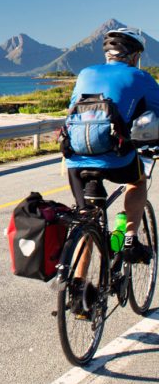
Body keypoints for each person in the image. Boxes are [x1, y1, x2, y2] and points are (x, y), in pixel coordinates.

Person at [66, 27, 159, 273]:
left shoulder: (85, 73)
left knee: (87, 216)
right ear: (133, 55)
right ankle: (129, 238)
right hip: (116, 157)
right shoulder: (140, 77)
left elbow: (71, 111)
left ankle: (78, 286)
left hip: (75, 160)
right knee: (137, 182)